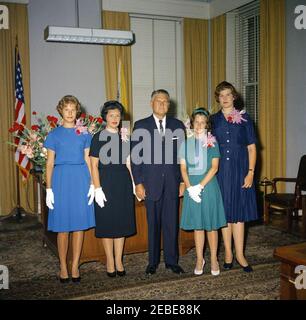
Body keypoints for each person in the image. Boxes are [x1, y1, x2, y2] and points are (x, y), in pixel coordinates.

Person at [131, 89, 186, 275]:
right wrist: (138, 183)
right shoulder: (141, 125)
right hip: (150, 183)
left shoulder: (177, 125)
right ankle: (152, 262)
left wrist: (182, 182)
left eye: (166, 102)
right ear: (151, 103)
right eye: (158, 101)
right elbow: (135, 157)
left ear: (169, 105)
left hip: (172, 182)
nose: (162, 104)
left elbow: (182, 157)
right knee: (152, 224)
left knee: (171, 224)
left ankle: (172, 261)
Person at [44, 95, 95, 283]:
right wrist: (49, 189)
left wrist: (93, 184)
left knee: (79, 226)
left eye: (73, 109)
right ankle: (63, 266)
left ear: (77, 111)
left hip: (81, 178)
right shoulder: (54, 135)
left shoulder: (84, 134)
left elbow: (89, 159)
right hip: (61, 180)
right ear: (60, 111)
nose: (70, 113)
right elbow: (49, 164)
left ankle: (75, 266)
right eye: (67, 109)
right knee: (62, 227)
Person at [211, 81, 258, 272]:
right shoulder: (212, 120)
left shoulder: (245, 119)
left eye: (228, 95)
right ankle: (228, 253)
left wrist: (251, 173)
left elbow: (252, 148)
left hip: (240, 171)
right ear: (218, 98)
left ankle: (240, 254)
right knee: (225, 214)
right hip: (220, 172)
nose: (225, 99)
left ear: (234, 96)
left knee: (239, 215)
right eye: (221, 95)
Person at [89, 101, 136, 277]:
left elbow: (129, 162)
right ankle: (109, 260)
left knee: (121, 223)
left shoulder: (125, 136)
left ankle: (119, 260)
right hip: (105, 182)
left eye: (117, 115)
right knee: (107, 223)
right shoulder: (98, 137)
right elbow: (93, 165)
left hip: (122, 182)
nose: (115, 118)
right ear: (105, 117)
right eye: (111, 115)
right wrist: (97, 188)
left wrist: (133, 183)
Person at [180, 108, 227, 276]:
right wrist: (190, 188)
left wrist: (199, 186)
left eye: (202, 122)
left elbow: (215, 168)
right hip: (191, 188)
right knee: (198, 226)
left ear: (207, 125)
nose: (199, 125)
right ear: (192, 124)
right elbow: (183, 169)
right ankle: (200, 259)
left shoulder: (212, 143)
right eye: (196, 122)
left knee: (211, 226)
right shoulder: (185, 144)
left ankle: (214, 258)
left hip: (208, 187)